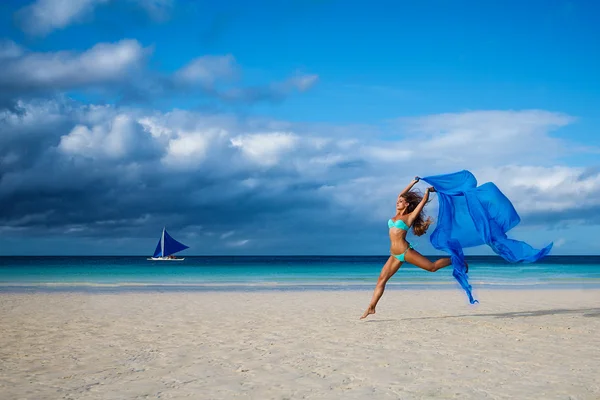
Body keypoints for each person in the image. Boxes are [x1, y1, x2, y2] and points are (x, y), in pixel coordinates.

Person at [360, 177, 467, 319]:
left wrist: (427, 192)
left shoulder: (409, 217)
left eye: (400, 202)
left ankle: (456, 259)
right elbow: (400, 195)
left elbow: (421, 204)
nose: (398, 202)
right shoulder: (396, 215)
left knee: (432, 267)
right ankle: (372, 307)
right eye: (398, 201)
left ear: (407, 204)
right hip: (394, 255)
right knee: (381, 279)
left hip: (405, 252)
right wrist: (412, 183)